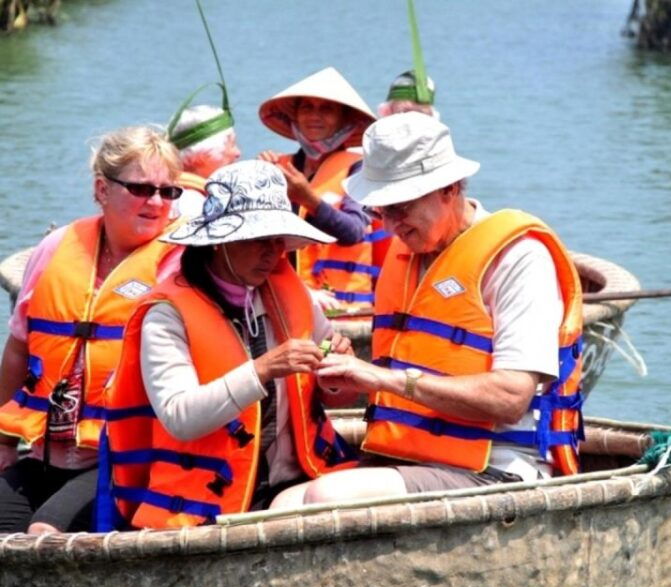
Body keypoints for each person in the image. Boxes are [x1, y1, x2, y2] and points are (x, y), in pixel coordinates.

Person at [271, 113, 585, 508]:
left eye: (401, 207)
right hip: (406, 459)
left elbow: (511, 398)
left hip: (495, 469)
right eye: (382, 210)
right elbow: (375, 388)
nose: (391, 224)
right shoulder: (404, 256)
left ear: (449, 189)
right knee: (283, 502)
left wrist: (384, 379)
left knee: (325, 494)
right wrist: (343, 381)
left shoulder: (517, 258)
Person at [99, 160, 359, 530]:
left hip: (299, 477)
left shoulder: (289, 291)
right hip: (206, 503)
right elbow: (180, 417)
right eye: (257, 240)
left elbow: (333, 396)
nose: (271, 253)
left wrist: (337, 376)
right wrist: (263, 369)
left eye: (277, 240)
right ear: (219, 242)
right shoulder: (166, 314)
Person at [0, 125, 184, 533]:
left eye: (168, 191)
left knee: (42, 536)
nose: (156, 202)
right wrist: (4, 439)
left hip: (127, 459)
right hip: (45, 453)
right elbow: (18, 348)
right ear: (102, 189)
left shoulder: (181, 264)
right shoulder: (56, 247)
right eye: (140, 189)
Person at [257, 66, 385, 312]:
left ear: (344, 119)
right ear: (295, 116)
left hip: (339, 305)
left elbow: (354, 231)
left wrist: (308, 199)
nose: (315, 116)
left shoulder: (359, 169)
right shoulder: (277, 166)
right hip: (284, 298)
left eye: (326, 109)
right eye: (307, 108)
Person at [168, 104, 241, 219]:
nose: (237, 153)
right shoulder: (192, 204)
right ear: (200, 155)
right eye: (231, 144)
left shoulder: (169, 194)